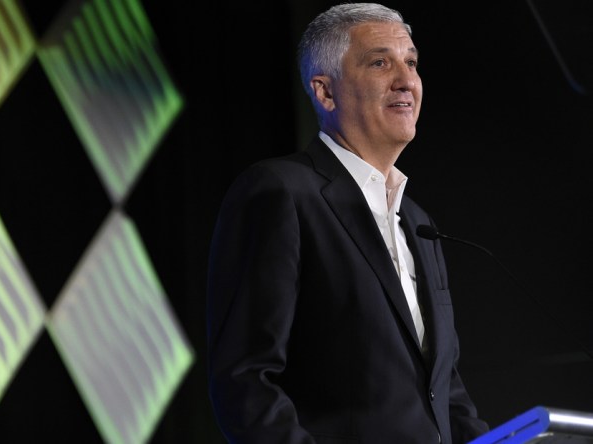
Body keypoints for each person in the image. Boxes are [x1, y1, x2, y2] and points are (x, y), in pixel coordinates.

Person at [206, 3, 489, 443]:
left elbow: (446, 393)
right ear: (325, 92)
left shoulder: (417, 222)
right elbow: (246, 381)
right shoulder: (281, 192)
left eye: (411, 63)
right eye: (380, 62)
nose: (406, 80)